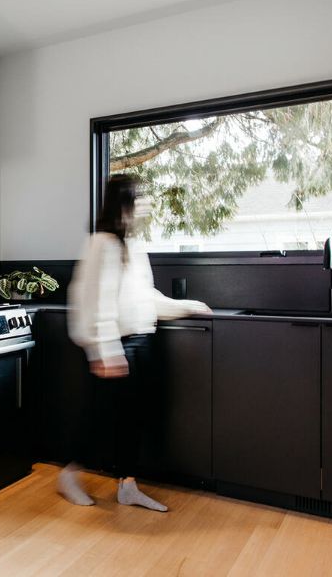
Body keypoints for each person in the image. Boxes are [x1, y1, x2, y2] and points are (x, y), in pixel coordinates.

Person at [59, 173, 211, 512]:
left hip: (141, 341)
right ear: (123, 203)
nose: (144, 204)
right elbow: (94, 299)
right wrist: (105, 350)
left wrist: (186, 307)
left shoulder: (133, 245)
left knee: (134, 420)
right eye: (138, 198)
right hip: (117, 346)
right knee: (102, 419)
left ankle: (127, 485)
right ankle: (69, 475)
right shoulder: (102, 243)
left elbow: (145, 297)